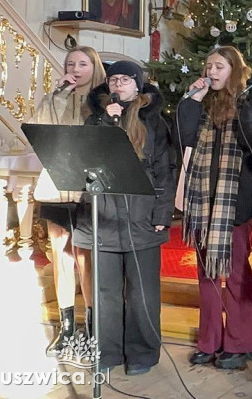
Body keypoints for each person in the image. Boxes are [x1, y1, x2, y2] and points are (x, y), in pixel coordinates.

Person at [73, 60, 175, 376]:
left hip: (142, 215)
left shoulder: (156, 123)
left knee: (141, 291)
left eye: (126, 80)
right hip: (102, 214)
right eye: (114, 79)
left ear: (138, 85)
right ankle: (106, 351)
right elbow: (83, 159)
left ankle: (142, 353)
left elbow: (166, 170)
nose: (119, 85)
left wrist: (162, 213)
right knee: (104, 291)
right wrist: (106, 121)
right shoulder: (97, 120)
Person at [178, 46, 252, 370]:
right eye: (209, 66)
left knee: (238, 275)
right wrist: (192, 101)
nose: (212, 72)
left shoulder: (247, 102)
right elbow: (184, 138)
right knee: (206, 276)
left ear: (233, 70)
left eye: (219, 66)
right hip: (204, 202)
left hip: (235, 202)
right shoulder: (204, 105)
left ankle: (243, 342)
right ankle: (210, 340)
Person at [30, 46, 105, 357]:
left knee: (85, 258)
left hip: (86, 187)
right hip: (57, 183)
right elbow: (37, 130)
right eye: (70, 63)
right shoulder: (55, 98)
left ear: (94, 67)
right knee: (61, 257)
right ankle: (66, 327)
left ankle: (91, 325)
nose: (76, 68)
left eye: (83, 63)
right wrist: (58, 96)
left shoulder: (102, 100)